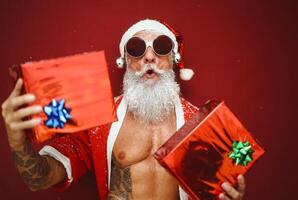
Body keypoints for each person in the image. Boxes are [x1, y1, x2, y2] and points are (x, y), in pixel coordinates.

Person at [1, 19, 246, 200]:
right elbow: (39, 178)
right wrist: (17, 139)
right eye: (137, 49)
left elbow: (218, 190)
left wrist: (231, 195)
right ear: (126, 60)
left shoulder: (202, 124)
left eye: (160, 47)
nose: (149, 57)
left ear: (174, 58)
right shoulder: (99, 122)